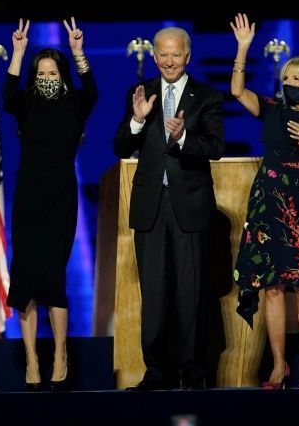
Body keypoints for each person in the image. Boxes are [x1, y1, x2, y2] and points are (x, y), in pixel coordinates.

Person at [113, 26, 224, 391]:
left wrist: (183, 137)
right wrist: (138, 119)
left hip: (190, 207)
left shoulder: (206, 95)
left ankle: (193, 373)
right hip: (151, 208)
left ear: (187, 56)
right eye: (163, 54)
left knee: (191, 295)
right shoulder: (140, 93)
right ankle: (156, 372)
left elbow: (214, 146)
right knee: (154, 295)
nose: (170, 60)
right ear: (155, 56)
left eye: (176, 54)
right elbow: (120, 146)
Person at [230, 14, 299, 389]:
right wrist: (243, 48)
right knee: (272, 286)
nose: (288, 83)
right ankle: (278, 365)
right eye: (286, 78)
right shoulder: (273, 108)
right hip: (268, 200)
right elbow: (238, 91)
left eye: (296, 78)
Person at [4, 18, 98, 392]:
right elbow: (8, 94)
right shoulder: (25, 104)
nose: (46, 77)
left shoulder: (75, 105)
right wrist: (19, 52)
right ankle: (31, 357)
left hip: (61, 197)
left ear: (61, 75)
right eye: (40, 73)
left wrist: (77, 54)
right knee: (25, 277)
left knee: (54, 278)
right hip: (28, 197)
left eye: (52, 72)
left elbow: (91, 90)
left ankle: (60, 354)